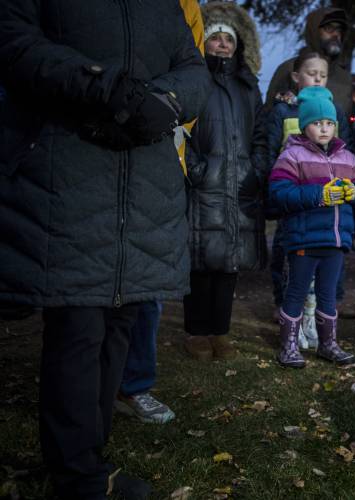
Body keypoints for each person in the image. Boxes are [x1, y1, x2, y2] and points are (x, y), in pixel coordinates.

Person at [0, 1, 210, 497]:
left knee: (122, 319)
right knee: (78, 321)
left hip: (143, 184)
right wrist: (102, 85)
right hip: (68, 173)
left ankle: (89, 457)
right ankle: (76, 473)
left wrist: (164, 101)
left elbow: (194, 67)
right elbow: (14, 40)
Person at [115, 0, 205, 426]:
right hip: (96, 144)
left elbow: (193, 73)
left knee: (148, 281)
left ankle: (135, 385)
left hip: (160, 154)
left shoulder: (183, 6)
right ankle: (95, 382)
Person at [183, 1, 268, 362]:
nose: (221, 44)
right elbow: (179, 132)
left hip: (241, 186)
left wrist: (258, 170)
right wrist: (196, 171)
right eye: (215, 37)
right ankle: (195, 333)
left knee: (230, 265)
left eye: (228, 39)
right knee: (200, 262)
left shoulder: (249, 87)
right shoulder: (194, 80)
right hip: (205, 186)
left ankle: (221, 332)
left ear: (238, 44)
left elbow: (263, 134)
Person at [269, 87, 355, 368]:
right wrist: (318, 195)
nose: (324, 128)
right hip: (303, 239)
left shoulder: (347, 158)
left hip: (336, 239)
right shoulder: (292, 156)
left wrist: (354, 192)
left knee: (328, 294)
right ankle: (288, 346)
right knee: (297, 291)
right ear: (305, 126)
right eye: (317, 123)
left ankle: (328, 344)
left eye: (329, 123)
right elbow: (279, 193)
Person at [266, 49, 354, 329]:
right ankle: (286, 304)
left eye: (323, 75)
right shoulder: (283, 109)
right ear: (296, 76)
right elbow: (268, 149)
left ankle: (325, 308)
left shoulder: (335, 111)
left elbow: (345, 149)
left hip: (329, 196)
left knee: (330, 247)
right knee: (288, 249)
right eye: (311, 74)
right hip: (293, 192)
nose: (317, 79)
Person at [265, 7, 353, 117]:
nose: (336, 34)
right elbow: (268, 117)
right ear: (315, 31)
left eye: (339, 30)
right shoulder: (289, 68)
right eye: (329, 28)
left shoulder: (345, 78)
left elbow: (349, 123)